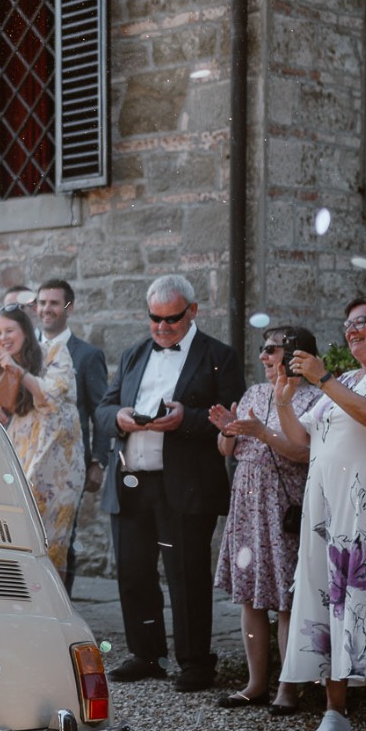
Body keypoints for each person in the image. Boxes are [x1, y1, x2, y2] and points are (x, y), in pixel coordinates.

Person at [94, 272, 245, 692]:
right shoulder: (132, 354)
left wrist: (185, 421)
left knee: (186, 574)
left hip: (184, 484)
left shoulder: (220, 355)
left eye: (172, 319)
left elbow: (233, 418)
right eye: (155, 319)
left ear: (193, 311)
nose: (162, 327)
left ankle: (196, 661)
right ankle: (146, 654)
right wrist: (120, 418)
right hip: (130, 480)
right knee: (134, 572)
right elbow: (104, 410)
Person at [275, 297, 366, 731]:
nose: (352, 330)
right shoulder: (342, 381)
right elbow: (300, 441)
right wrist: (284, 400)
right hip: (327, 513)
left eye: (362, 322)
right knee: (329, 602)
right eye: (347, 324)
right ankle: (335, 712)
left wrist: (321, 378)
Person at [208, 326, 319, 709]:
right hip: (247, 505)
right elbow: (229, 448)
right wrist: (227, 432)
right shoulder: (254, 392)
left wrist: (261, 431)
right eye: (263, 349)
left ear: (293, 354)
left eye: (271, 350)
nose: (263, 357)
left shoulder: (313, 398)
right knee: (251, 597)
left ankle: (287, 689)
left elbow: (302, 452)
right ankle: (256, 684)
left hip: (283, 506)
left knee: (286, 597)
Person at [0, 304, 85, 576]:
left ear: (26, 332)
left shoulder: (53, 352)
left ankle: (57, 611)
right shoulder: (0, 368)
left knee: (53, 544)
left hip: (57, 465)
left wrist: (18, 371)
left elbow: (51, 398)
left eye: (9, 331)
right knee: (23, 541)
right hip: (22, 460)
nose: (3, 338)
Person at [35, 279, 110, 590]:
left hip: (67, 463)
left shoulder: (87, 355)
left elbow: (100, 412)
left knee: (63, 537)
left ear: (69, 307)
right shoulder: (26, 350)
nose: (46, 309)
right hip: (27, 457)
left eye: (54, 303)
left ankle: (63, 608)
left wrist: (98, 461)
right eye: (41, 303)